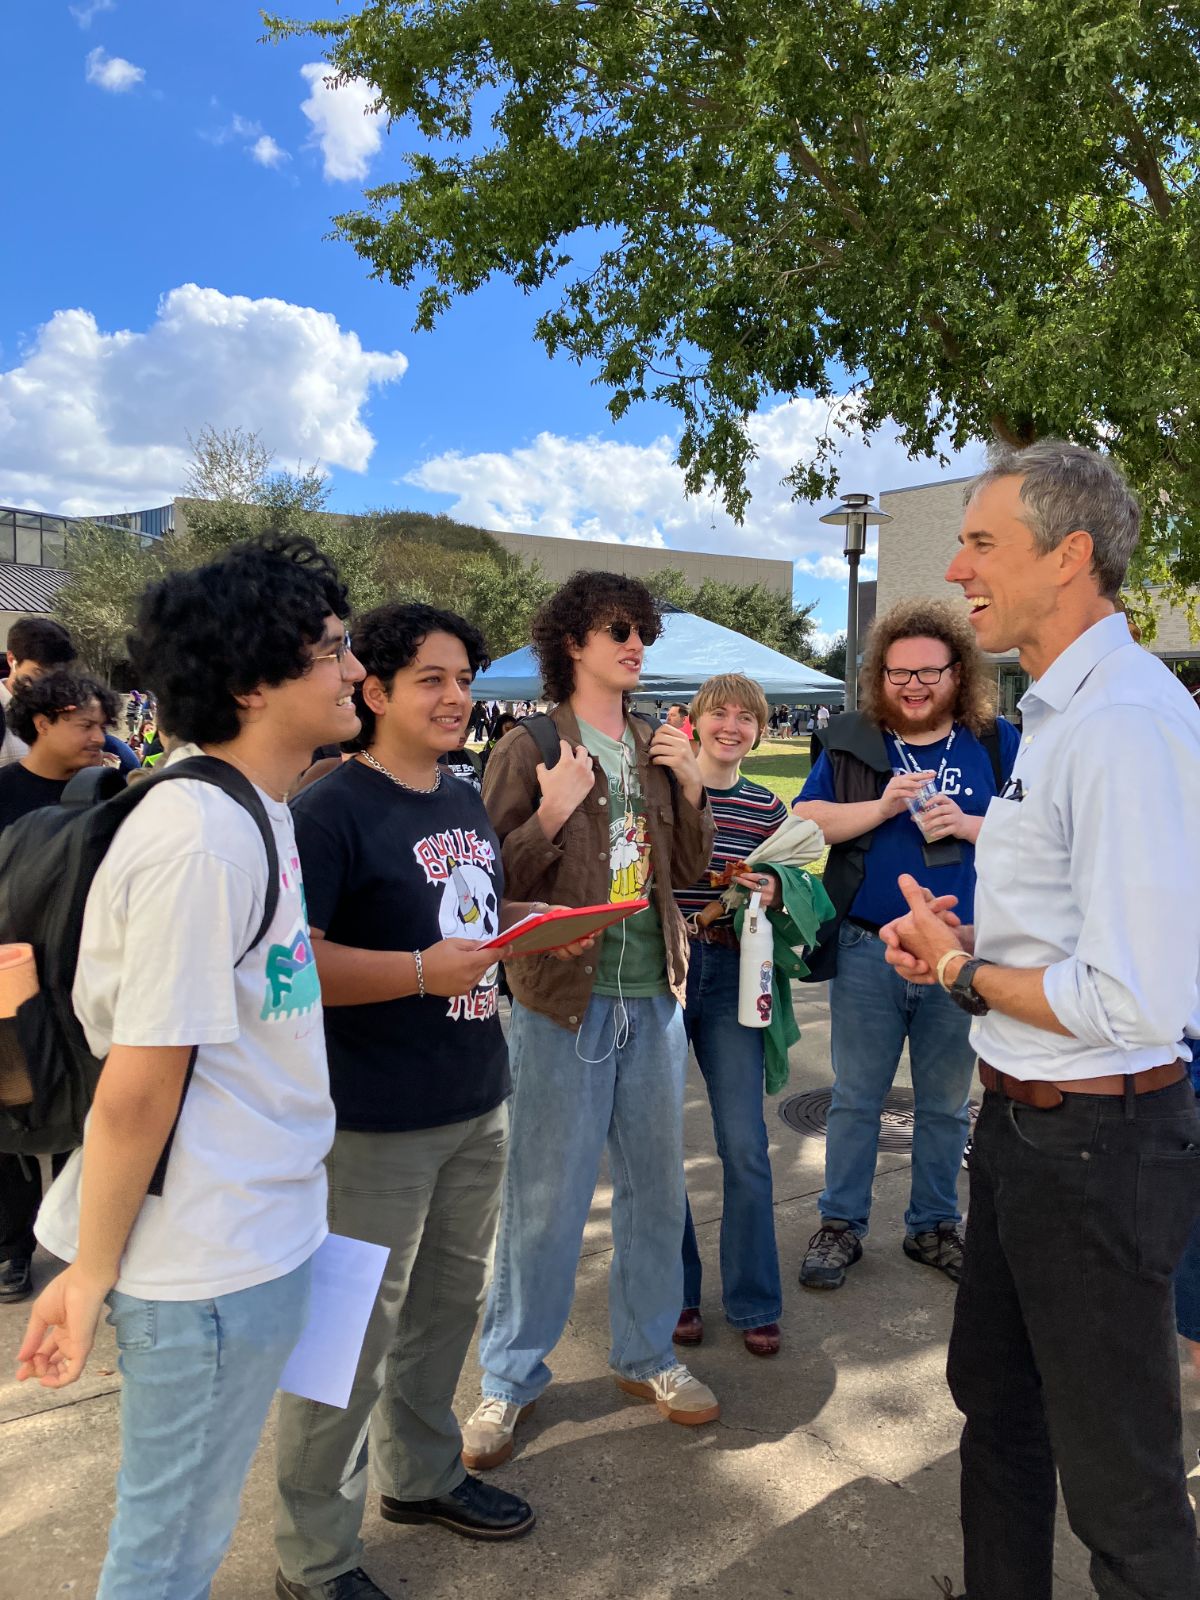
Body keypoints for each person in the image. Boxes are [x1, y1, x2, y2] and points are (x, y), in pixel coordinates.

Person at [880, 441, 1200, 1600]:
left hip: (1099, 1145)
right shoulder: (1054, 712)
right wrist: (956, 945)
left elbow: (1133, 995)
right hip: (1023, 1133)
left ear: (1069, 557)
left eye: (980, 540)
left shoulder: (1124, 722)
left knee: (1124, 1493)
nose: (957, 564)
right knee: (999, 1423)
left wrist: (963, 970)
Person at [17, 534, 364, 1600]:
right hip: (201, 1269)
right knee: (167, 1553)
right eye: (335, 649)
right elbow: (137, 1089)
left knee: (186, 1533)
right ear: (256, 682)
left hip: (256, 1232)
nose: (357, 670)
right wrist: (88, 1275)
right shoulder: (199, 838)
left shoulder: (256, 809)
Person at [275, 602, 550, 1600]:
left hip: (477, 1097)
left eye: (465, 676)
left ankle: (422, 1476)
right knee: (339, 1340)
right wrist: (420, 974)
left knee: (447, 1308)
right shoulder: (329, 809)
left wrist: (533, 925)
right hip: (369, 1124)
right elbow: (290, 961)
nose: (457, 694)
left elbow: (463, 925)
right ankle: (312, 1559)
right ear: (375, 690)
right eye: (432, 677)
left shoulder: (465, 796)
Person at [462, 570, 718, 1468]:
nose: (636, 643)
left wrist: (690, 787)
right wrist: (555, 810)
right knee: (545, 1199)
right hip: (559, 1008)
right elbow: (481, 886)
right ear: (572, 641)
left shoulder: (656, 740)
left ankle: (646, 1355)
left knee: (657, 1191)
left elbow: (688, 869)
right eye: (618, 628)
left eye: (642, 630)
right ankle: (508, 1378)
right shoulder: (528, 744)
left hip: (654, 996)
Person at [792, 599, 1018, 1290]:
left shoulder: (994, 740)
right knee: (857, 1097)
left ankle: (933, 1226)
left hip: (960, 952)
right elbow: (806, 821)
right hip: (866, 950)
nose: (913, 686)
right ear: (878, 675)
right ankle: (840, 1225)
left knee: (947, 1103)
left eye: (928, 672)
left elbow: (1045, 828)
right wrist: (884, 806)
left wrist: (975, 821)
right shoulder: (856, 738)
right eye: (897, 673)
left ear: (959, 670)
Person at [670, 674, 790, 1356]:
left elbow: (791, 890)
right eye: (721, 712)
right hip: (662, 969)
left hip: (734, 973)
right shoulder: (663, 789)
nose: (733, 724)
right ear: (695, 721)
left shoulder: (771, 809)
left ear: (760, 731)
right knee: (660, 1143)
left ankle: (753, 1300)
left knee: (744, 1143)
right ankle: (678, 1292)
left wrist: (774, 887)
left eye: (747, 717)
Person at [0, 670, 119, 1305]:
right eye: (84, 724)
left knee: (91, 1117)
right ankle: (12, 1249)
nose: (98, 737)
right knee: (18, 1111)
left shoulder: (113, 796)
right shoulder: (6, 793)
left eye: (104, 724)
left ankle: (88, 1249)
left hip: (84, 986)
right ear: (42, 723)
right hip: (16, 983)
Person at [0, 617, 76, 766]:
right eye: (39, 672)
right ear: (11, 660)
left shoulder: (63, 710)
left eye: (56, 674)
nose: (48, 683)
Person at [437, 712, 484, 792]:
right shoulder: (432, 757)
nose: (462, 735)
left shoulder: (474, 757)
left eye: (468, 728)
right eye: (457, 728)